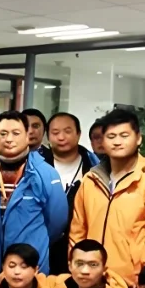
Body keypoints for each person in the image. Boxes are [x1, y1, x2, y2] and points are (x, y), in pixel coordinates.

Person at [70, 108, 145, 286]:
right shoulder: (91, 180)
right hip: (90, 277)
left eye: (124, 135)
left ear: (138, 138)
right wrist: (77, 268)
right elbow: (78, 230)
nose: (117, 142)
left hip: (131, 280)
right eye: (111, 136)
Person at [0, 110, 68, 282]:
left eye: (15, 133)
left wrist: (35, 239)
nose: (9, 139)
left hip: (31, 267)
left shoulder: (45, 174)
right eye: (3, 133)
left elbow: (57, 222)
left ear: (28, 136)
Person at [43, 112, 100, 274]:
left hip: (83, 248)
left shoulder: (96, 169)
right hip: (44, 247)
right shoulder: (36, 169)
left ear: (78, 134)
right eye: (55, 133)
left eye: (67, 131)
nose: (61, 137)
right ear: (47, 137)